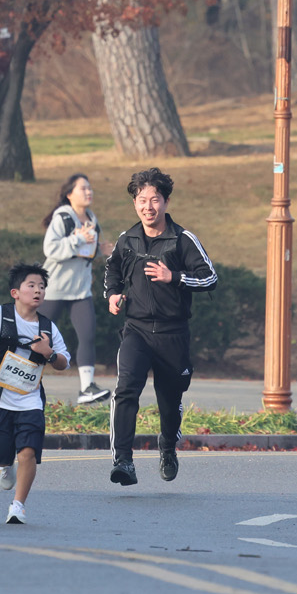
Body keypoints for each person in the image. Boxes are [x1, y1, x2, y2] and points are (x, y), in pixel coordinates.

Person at [104, 167, 218, 487]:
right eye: (142, 200)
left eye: (155, 199)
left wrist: (175, 277)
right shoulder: (127, 240)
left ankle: (167, 446)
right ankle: (123, 460)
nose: (148, 206)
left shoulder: (183, 240)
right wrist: (113, 295)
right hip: (136, 330)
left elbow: (210, 278)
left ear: (166, 202)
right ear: (135, 203)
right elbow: (112, 271)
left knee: (169, 403)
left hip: (172, 334)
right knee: (126, 388)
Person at [0, 264, 71, 525]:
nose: (38, 291)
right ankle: (2, 464)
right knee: (0, 450)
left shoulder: (47, 327)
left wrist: (48, 353)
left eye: (42, 287)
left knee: (28, 452)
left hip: (31, 400)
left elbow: (64, 362)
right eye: (31, 286)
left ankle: (18, 506)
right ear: (16, 292)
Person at [41, 173, 116, 405]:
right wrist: (77, 240)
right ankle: (18, 383)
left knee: (87, 335)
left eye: (90, 188)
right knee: (36, 338)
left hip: (80, 291)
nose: (88, 192)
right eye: (82, 188)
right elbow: (50, 249)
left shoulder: (92, 217)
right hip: (55, 288)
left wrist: (101, 250)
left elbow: (85, 253)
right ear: (69, 194)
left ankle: (87, 389)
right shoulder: (62, 217)